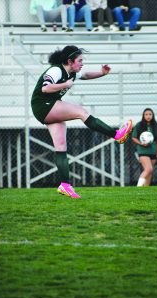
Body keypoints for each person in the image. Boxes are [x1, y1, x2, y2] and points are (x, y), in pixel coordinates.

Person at [31, 45, 133, 198]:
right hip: (42, 105)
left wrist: (102, 73)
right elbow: (45, 89)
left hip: (46, 109)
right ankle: (117, 135)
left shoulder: (71, 72)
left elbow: (85, 75)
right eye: (80, 60)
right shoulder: (56, 70)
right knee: (81, 112)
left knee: (61, 147)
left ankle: (64, 185)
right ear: (70, 61)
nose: (82, 63)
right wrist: (64, 85)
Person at [132, 108, 157, 187]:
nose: (148, 116)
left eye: (150, 114)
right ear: (143, 115)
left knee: (149, 172)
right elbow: (134, 137)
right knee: (148, 169)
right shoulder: (139, 125)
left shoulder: (155, 125)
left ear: (152, 115)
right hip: (143, 151)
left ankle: (146, 188)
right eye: (146, 114)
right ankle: (138, 187)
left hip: (153, 151)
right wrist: (141, 143)